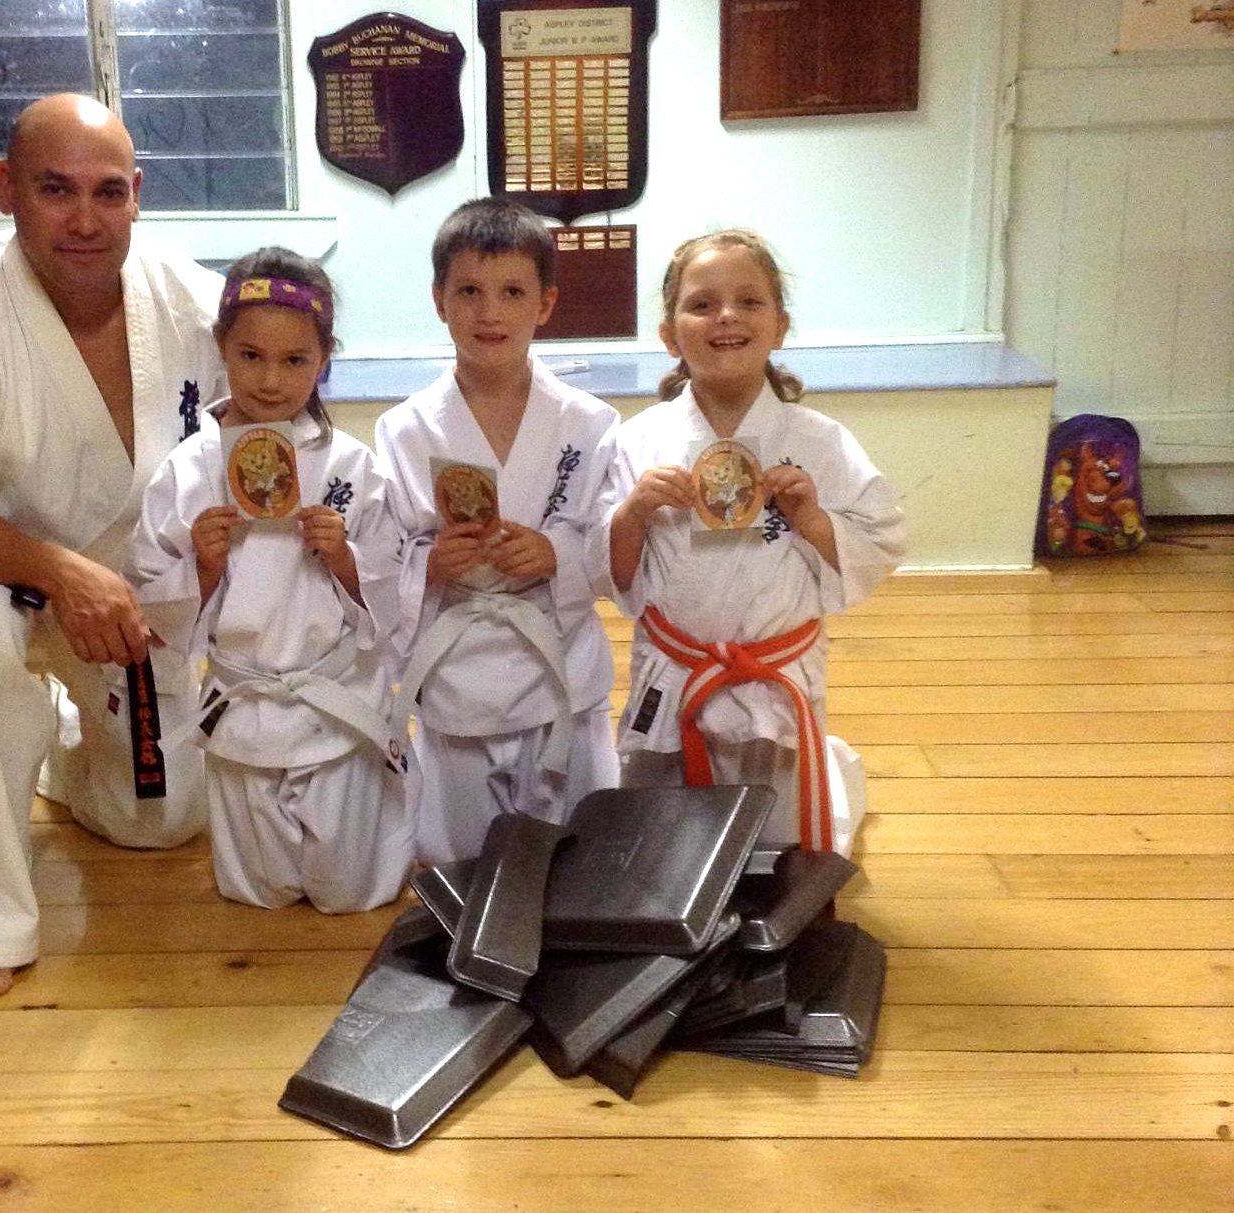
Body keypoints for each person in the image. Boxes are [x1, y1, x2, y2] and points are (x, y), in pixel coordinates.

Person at [0, 95, 226, 997]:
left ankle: (59, 739)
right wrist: (58, 572)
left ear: (137, 193)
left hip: (130, 593)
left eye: (108, 192)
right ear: (5, 189)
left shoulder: (197, 306)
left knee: (160, 818)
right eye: (55, 189)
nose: (85, 219)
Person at [597, 230, 907, 855]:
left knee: (777, 846)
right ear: (670, 336)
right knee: (665, 848)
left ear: (780, 327)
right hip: (679, 669)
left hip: (775, 671)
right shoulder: (638, 442)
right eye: (702, 304)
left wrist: (812, 517)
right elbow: (610, 573)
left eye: (748, 301)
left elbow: (882, 536)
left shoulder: (819, 440)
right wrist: (633, 512)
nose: (726, 316)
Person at [124, 248, 413, 911]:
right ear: (221, 347)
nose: (271, 380)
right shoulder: (188, 469)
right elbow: (148, 592)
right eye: (250, 355)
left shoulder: (351, 467)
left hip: (334, 695)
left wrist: (345, 559)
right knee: (260, 888)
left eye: (295, 360)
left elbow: (397, 583)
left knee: (349, 889)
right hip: (243, 701)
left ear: (324, 359)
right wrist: (202, 566)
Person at [374, 198, 620, 864]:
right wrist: (430, 564)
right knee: (461, 856)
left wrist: (556, 553)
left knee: (579, 851)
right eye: (469, 292)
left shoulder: (589, 423)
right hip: (460, 668)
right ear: (439, 301)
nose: (490, 312)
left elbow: (612, 539)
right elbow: (384, 550)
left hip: (558, 659)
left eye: (513, 292)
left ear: (545, 304)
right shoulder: (404, 429)